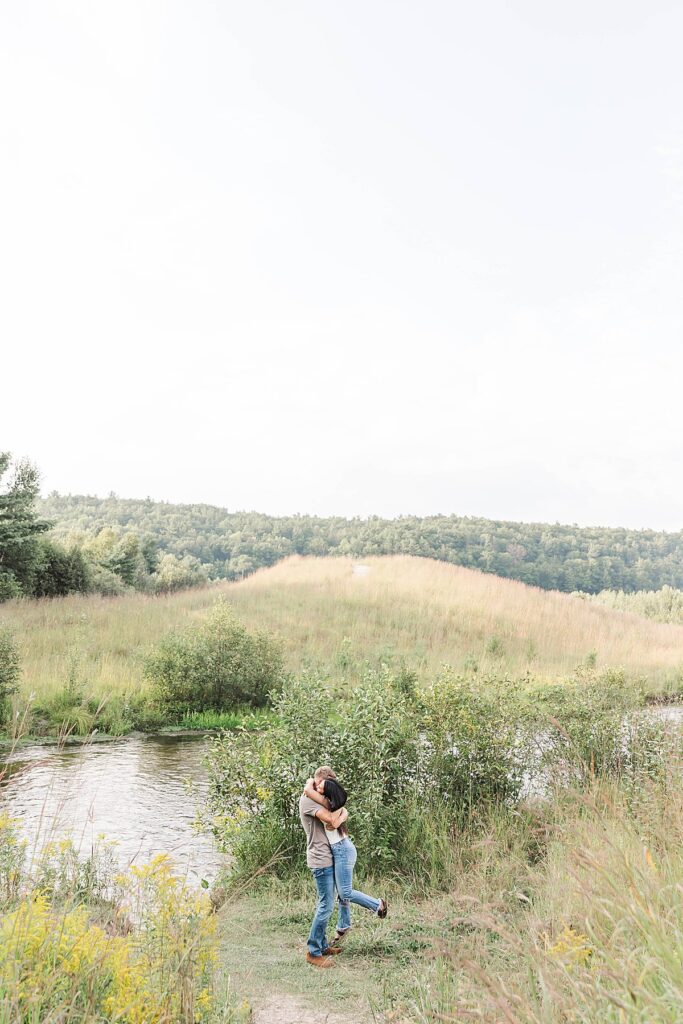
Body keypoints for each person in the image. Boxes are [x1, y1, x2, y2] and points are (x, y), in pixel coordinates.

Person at [303, 769, 387, 944]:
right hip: (339, 850)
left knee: (345, 892)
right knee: (342, 892)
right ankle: (343, 926)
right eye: (318, 785)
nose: (317, 788)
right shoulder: (333, 804)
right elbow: (309, 787)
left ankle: (378, 905)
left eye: (321, 786)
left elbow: (310, 791)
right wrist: (342, 816)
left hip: (342, 850)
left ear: (328, 791)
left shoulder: (329, 803)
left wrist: (339, 818)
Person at [298, 767, 349, 968]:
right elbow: (330, 819)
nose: (324, 791)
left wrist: (343, 811)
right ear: (321, 781)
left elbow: (336, 808)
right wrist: (341, 810)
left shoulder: (316, 795)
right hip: (320, 858)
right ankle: (313, 951)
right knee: (325, 906)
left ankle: (322, 945)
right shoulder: (307, 799)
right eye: (323, 786)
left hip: (328, 856)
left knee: (327, 903)